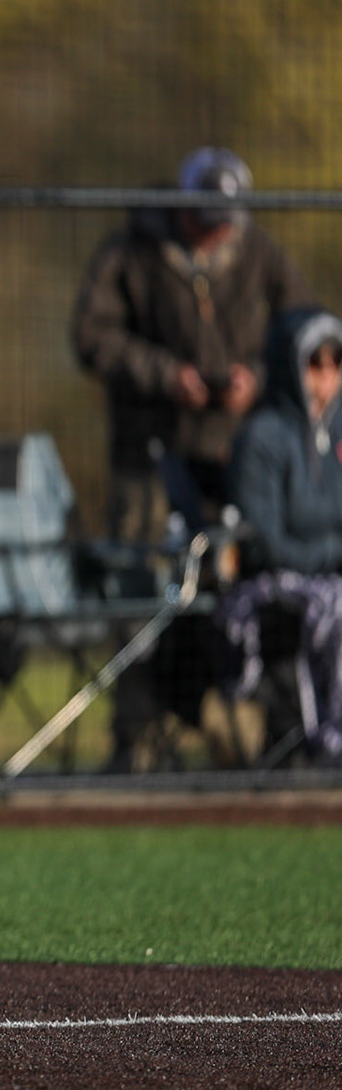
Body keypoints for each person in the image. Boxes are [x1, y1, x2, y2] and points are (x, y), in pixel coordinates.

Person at [71, 147, 311, 769]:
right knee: (138, 586)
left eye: (228, 216)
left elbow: (305, 331)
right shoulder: (132, 250)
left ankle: (256, 726)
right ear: (180, 206)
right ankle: (136, 736)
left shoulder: (261, 253)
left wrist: (257, 379)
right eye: (205, 216)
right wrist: (165, 374)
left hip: (235, 455)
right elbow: (91, 336)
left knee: (244, 586)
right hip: (148, 454)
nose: (217, 229)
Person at [221, 308, 342, 762]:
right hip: (273, 584)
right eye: (315, 362)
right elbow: (267, 541)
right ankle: (327, 739)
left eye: (336, 362)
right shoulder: (262, 437)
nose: (327, 376)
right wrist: (332, 551)